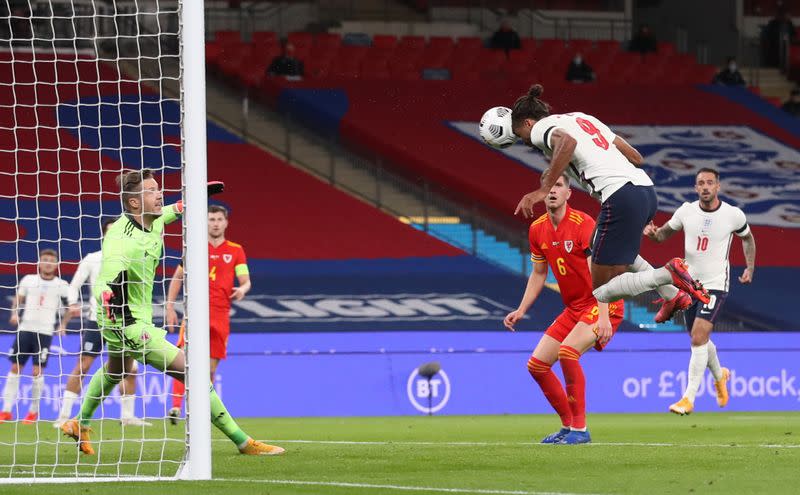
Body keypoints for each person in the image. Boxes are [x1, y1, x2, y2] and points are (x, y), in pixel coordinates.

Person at [60, 169, 283, 456]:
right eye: (151, 190)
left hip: (124, 318)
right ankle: (243, 442)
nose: (159, 193)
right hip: (124, 320)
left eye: (157, 188)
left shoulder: (152, 219)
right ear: (134, 203)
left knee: (115, 371)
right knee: (195, 374)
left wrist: (197, 195)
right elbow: (107, 285)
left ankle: (79, 422)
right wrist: (117, 315)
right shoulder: (121, 241)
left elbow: (174, 209)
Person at [511, 84, 707, 331]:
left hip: (621, 197)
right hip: (645, 191)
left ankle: (668, 274)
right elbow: (635, 156)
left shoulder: (541, 128)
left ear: (528, 123)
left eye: (521, 136)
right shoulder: (581, 117)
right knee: (596, 244)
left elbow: (567, 142)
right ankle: (672, 295)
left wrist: (543, 188)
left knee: (602, 292)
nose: (526, 141)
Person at [504, 174, 624, 445]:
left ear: (569, 193)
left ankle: (580, 430)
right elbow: (538, 273)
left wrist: (604, 316)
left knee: (568, 353)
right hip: (574, 309)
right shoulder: (537, 228)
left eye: (559, 185)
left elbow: (600, 272)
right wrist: (522, 309)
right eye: (548, 187)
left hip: (602, 302)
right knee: (537, 365)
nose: (552, 191)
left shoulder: (583, 224)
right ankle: (568, 426)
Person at [643, 168, 756, 415]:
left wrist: (749, 267)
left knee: (698, 336)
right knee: (700, 340)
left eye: (710, 183)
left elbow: (747, 238)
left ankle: (688, 398)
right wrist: (653, 235)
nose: (705, 187)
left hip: (716, 284)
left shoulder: (733, 215)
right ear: (696, 188)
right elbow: (662, 236)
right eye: (700, 183)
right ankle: (720, 375)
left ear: (718, 186)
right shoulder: (686, 211)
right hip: (690, 285)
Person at [56, 218, 150, 428]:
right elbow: (73, 286)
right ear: (104, 235)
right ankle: (63, 416)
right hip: (96, 322)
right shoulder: (92, 259)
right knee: (83, 366)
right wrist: (72, 303)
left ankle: (127, 417)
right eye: (109, 232)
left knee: (130, 369)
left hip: (123, 323)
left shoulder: (130, 258)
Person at [165, 204, 251, 424]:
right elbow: (177, 277)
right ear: (206, 222)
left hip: (220, 314)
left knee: (210, 369)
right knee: (184, 358)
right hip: (194, 312)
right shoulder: (194, 247)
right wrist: (169, 305)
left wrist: (241, 289)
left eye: (219, 219)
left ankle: (203, 409)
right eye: (211, 219)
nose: (215, 223)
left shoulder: (235, 250)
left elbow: (245, 280)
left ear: (226, 222)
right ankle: (176, 406)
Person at [1, 249, 75, 424]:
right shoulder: (29, 280)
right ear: (39, 263)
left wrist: (62, 324)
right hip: (25, 329)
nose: (48, 263)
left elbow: (70, 309)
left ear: (56, 264)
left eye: (51, 260)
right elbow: (17, 300)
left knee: (37, 371)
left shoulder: (62, 284)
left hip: (44, 333)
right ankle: (5, 411)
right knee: (14, 369)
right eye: (45, 260)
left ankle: (33, 412)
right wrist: (14, 313)